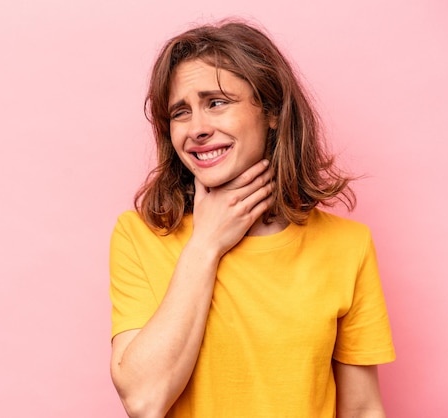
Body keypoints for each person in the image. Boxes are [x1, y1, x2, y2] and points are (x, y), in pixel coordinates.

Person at [109, 19, 395, 418]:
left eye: (216, 102)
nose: (197, 129)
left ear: (272, 112)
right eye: (180, 112)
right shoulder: (140, 236)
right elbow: (143, 401)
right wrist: (206, 244)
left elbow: (363, 409)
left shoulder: (347, 245)